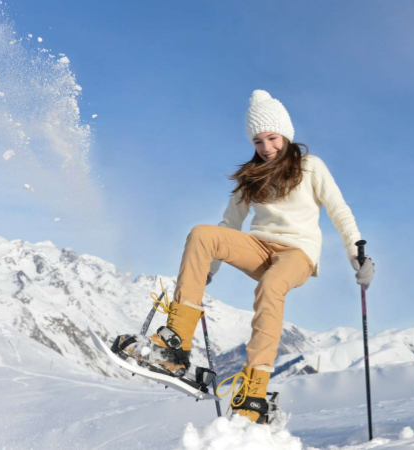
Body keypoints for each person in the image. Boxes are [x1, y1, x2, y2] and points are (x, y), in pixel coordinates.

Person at [113, 89, 375, 423]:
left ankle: (254, 391)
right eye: (258, 142)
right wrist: (208, 265)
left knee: (271, 286)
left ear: (286, 134)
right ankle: (175, 348)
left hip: (298, 253)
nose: (266, 148)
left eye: (272, 138)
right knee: (202, 233)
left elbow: (340, 212)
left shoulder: (310, 167)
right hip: (259, 248)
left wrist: (357, 254)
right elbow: (230, 224)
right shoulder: (252, 177)